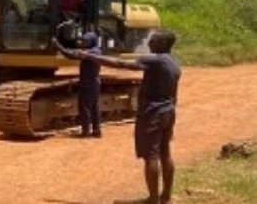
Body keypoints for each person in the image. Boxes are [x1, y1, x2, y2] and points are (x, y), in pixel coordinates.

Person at [53, 30, 181, 204]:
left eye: (153, 40)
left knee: (151, 155)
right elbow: (174, 93)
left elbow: (120, 63)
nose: (149, 43)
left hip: (152, 113)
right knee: (165, 152)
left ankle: (152, 199)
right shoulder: (174, 62)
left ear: (162, 44)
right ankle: (165, 196)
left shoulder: (155, 60)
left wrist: (89, 57)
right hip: (168, 110)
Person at [54, 32, 103, 138]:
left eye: (85, 41)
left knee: (85, 107)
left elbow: (70, 55)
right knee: (94, 107)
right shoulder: (96, 51)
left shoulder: (91, 52)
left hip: (88, 83)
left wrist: (58, 46)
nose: (82, 43)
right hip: (94, 82)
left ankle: (86, 131)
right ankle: (96, 130)